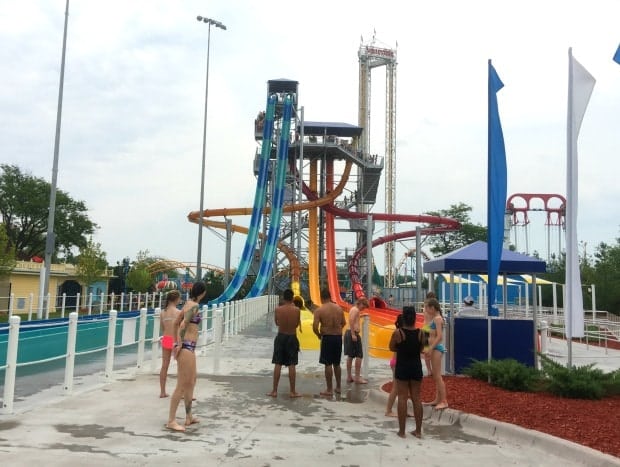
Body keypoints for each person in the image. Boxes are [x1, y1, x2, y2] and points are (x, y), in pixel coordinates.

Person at [166, 281, 206, 432]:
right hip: (187, 347)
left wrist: (177, 342)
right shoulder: (194, 306)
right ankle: (171, 420)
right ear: (202, 293)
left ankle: (189, 416)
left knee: (191, 382)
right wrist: (179, 343)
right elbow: (182, 325)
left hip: (189, 347)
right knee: (182, 385)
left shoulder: (188, 304)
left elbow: (176, 323)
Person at [389, 305, 424, 438]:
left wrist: (402, 348)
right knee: (416, 398)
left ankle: (402, 431)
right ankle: (418, 431)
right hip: (416, 367)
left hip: (402, 366)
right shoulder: (421, 333)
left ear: (403, 318)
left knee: (402, 397)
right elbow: (421, 349)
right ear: (415, 318)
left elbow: (391, 347)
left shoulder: (398, 333)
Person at [267, 289, 302, 398]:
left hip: (281, 336)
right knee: (292, 364)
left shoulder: (278, 309)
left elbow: (277, 322)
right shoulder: (297, 310)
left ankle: (274, 391)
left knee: (278, 363)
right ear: (292, 298)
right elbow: (296, 324)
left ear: (283, 298)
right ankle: (292, 391)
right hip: (292, 337)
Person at [313, 288, 346, 397]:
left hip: (327, 337)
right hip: (337, 337)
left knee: (328, 364)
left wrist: (318, 335)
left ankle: (329, 389)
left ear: (322, 298)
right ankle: (339, 387)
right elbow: (343, 323)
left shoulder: (319, 310)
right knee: (337, 364)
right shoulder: (339, 308)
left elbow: (314, 327)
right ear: (330, 296)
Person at [424, 297, 448, 410]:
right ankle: (438, 399)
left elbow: (439, 336)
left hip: (436, 349)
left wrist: (431, 348)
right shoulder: (435, 318)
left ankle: (444, 400)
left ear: (433, 308)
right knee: (435, 375)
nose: (426, 310)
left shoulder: (437, 319)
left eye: (427, 308)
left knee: (437, 376)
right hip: (434, 348)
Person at [159, 290, 182, 398]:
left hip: (166, 339)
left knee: (164, 365)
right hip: (175, 340)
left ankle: (162, 391)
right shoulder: (178, 312)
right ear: (176, 299)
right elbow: (181, 329)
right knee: (181, 367)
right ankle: (181, 392)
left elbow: (162, 328)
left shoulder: (163, 313)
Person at [344, 297, 369, 384]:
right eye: (364, 306)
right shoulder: (356, 310)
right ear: (361, 303)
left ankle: (349, 376)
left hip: (349, 333)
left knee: (350, 356)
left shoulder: (354, 309)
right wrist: (353, 334)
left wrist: (361, 316)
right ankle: (357, 377)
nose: (364, 308)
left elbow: (353, 318)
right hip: (353, 334)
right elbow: (351, 320)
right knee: (359, 355)